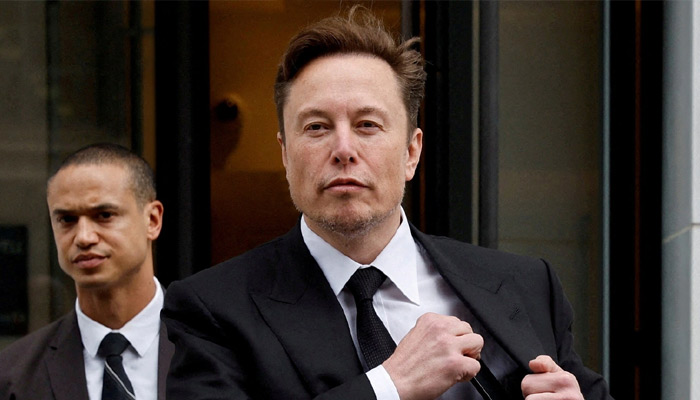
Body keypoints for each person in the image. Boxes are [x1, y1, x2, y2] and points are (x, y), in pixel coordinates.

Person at [162, 7, 612, 400]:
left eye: (367, 125)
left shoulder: (526, 285)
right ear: (285, 154)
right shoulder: (212, 309)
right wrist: (389, 386)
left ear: (412, 152)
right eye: (316, 127)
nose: (343, 149)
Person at [0, 143, 173, 400]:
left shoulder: (216, 349)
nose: (83, 237)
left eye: (104, 215)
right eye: (67, 220)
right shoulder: (14, 375)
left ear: (152, 220)